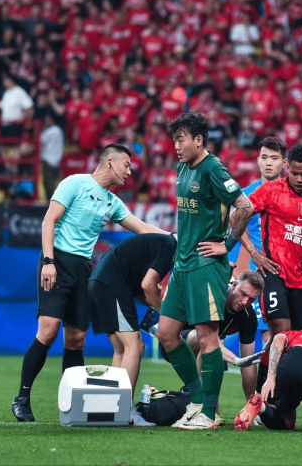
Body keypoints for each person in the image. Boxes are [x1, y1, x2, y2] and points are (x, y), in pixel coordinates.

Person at [12, 143, 169, 422]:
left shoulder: (112, 201)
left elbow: (143, 228)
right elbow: (49, 221)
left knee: (76, 339)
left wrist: (174, 238)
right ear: (110, 162)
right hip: (56, 261)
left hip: (83, 268)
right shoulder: (74, 183)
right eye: (126, 165)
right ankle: (22, 399)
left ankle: (71, 404)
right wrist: (48, 261)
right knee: (48, 331)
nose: (129, 172)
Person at [155, 112, 254, 430]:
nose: (176, 146)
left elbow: (245, 206)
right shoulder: (183, 166)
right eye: (174, 140)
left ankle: (209, 414)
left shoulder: (213, 168)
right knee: (166, 334)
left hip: (205, 266)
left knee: (208, 337)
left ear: (199, 140)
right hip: (182, 265)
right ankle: (196, 401)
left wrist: (228, 244)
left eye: (180, 139)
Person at [230, 142, 302, 394]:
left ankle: (283, 399)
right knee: (280, 334)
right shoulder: (270, 191)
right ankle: (265, 397)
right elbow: (236, 217)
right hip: (272, 276)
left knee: (300, 341)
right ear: (288, 168)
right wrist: (255, 253)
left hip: (301, 280)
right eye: (294, 173)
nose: (298, 179)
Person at [88, 232, 177, 426]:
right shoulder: (169, 246)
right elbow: (148, 285)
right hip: (112, 286)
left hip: (99, 284)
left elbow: (141, 289)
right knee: (135, 346)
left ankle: (111, 407)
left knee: (121, 349)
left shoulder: (157, 245)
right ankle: (125, 411)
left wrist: (157, 307)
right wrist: (165, 313)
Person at [158, 270, 266, 425]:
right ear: (234, 285)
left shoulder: (248, 316)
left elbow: (248, 363)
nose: (244, 302)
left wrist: (252, 406)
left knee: (211, 351)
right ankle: (201, 407)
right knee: (204, 341)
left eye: (251, 299)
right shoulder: (214, 296)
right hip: (176, 344)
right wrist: (235, 359)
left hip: (209, 348)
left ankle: (209, 413)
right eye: (243, 294)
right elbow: (208, 338)